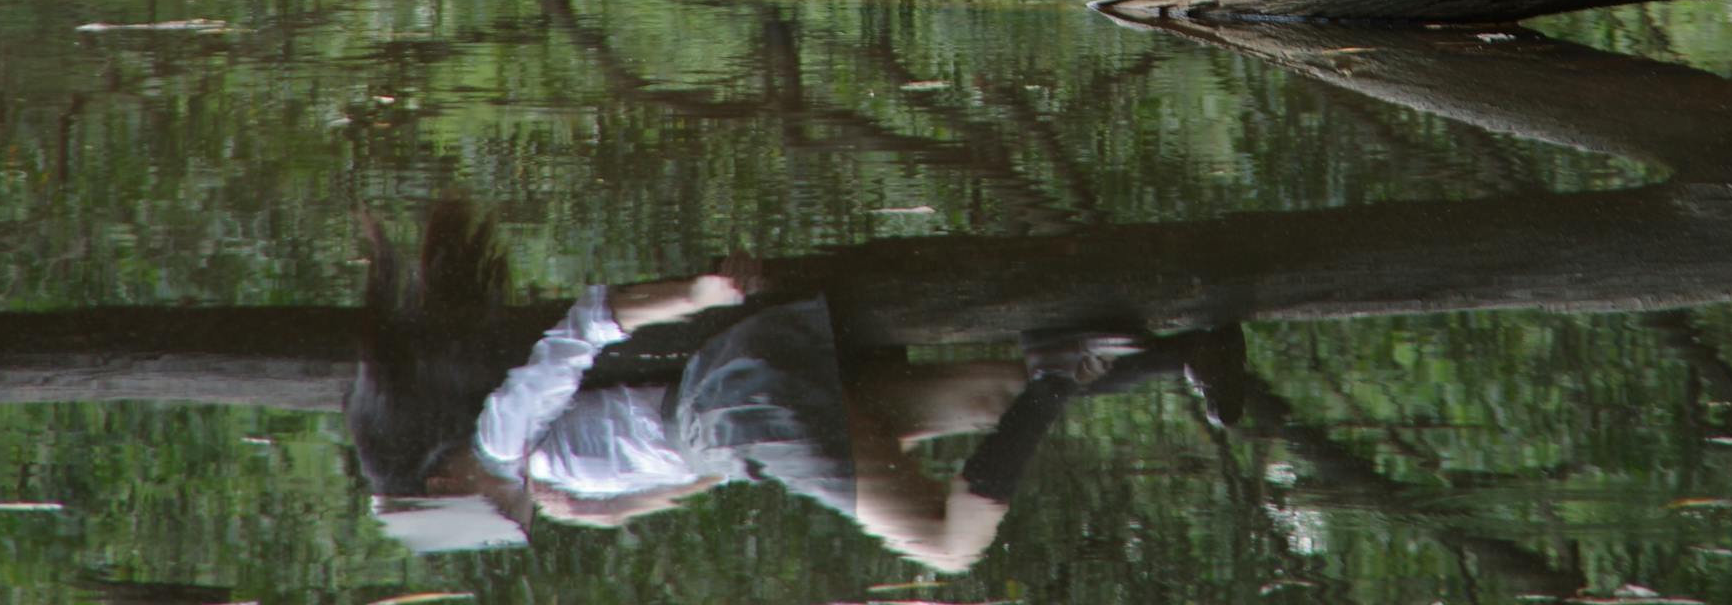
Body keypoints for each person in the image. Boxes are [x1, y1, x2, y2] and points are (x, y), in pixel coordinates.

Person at [350, 201, 1241, 568]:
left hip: (740, 413)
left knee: (946, 544)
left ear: (444, 478)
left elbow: (584, 329)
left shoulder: (504, 441)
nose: (514, 516)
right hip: (738, 429)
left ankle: (1058, 372)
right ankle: (1182, 357)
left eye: (485, 509)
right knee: (985, 400)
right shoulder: (544, 476)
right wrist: (616, 510)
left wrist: (697, 294)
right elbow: (670, 469)